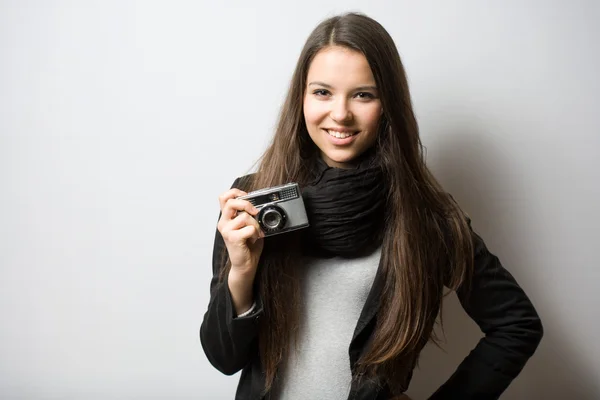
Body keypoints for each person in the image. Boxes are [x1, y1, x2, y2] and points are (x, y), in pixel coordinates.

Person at [200, 12, 543, 400]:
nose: (340, 113)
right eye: (322, 92)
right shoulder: (253, 203)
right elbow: (223, 357)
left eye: (363, 94)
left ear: (388, 103)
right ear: (302, 98)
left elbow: (517, 324)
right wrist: (242, 271)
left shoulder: (426, 219)